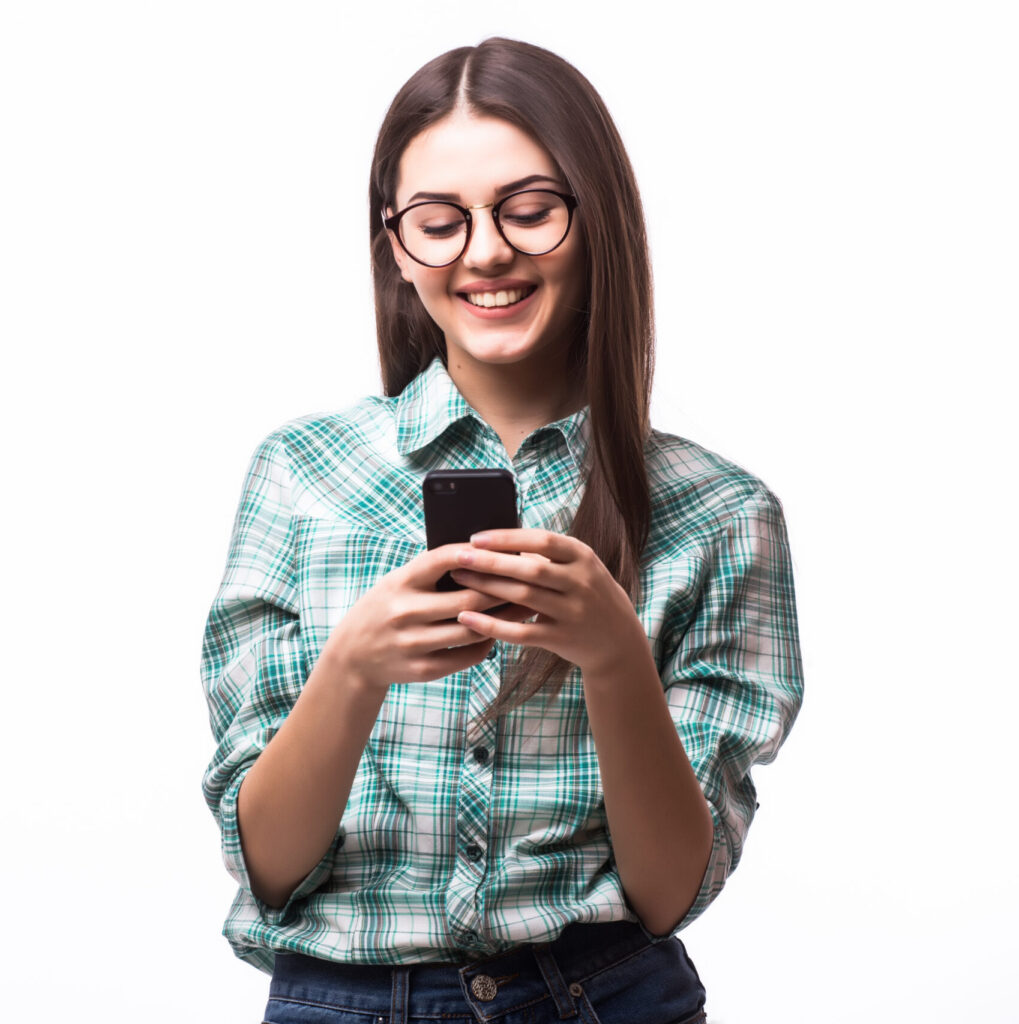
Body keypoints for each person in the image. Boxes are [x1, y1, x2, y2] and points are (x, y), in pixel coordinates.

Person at [201, 37, 804, 1024]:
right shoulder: (303, 473)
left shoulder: (721, 513)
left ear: (595, 219)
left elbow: (667, 890)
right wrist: (351, 668)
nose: (485, 251)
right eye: (440, 222)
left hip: (602, 995)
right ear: (394, 246)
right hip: (342, 999)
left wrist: (613, 658)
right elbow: (265, 864)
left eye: (528, 211)